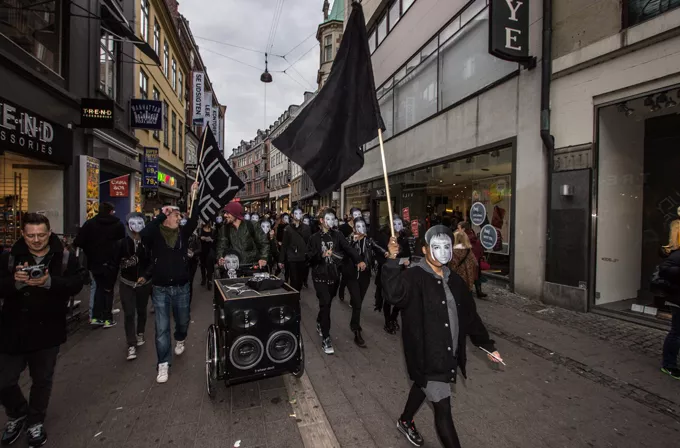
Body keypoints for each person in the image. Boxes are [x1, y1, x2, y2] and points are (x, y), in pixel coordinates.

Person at [383, 225, 503, 447]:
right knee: (443, 409)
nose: (442, 251)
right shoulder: (413, 277)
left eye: (447, 246)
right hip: (427, 356)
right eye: (436, 247)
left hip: (448, 354)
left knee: (422, 385)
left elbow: (470, 316)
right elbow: (393, 294)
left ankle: (405, 420)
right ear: (425, 249)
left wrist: (487, 345)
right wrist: (392, 259)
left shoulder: (455, 280)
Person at [0, 213, 85, 447]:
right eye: (31, 236)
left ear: (49, 233)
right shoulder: (9, 257)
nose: (36, 240)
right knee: (4, 380)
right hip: (13, 329)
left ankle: (35, 421)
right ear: (23, 234)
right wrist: (15, 283)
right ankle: (18, 412)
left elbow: (77, 283)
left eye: (41, 235)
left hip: (48, 329)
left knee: (42, 380)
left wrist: (49, 282)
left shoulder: (64, 257)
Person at [141, 201, 198, 384]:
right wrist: (160, 215)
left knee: (183, 321)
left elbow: (194, 220)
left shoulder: (182, 233)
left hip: (181, 287)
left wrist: (195, 198)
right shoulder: (155, 234)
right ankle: (163, 363)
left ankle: (180, 338)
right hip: (160, 289)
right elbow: (144, 234)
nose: (179, 219)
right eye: (175, 216)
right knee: (161, 328)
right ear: (167, 217)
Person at [307, 208, 363, 355]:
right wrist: (321, 254)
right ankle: (326, 338)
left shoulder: (338, 235)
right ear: (321, 220)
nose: (331, 221)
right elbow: (309, 258)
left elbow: (348, 249)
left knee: (327, 304)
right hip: (319, 276)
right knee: (325, 303)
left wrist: (358, 260)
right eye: (328, 219)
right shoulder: (314, 238)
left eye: (333, 219)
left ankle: (320, 321)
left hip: (334, 276)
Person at [74, 201, 125, 327]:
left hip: (94, 262)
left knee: (98, 288)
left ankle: (96, 317)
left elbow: (78, 241)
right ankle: (108, 318)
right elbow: (122, 244)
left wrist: (89, 251)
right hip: (112, 262)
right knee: (108, 289)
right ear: (111, 211)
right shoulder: (118, 224)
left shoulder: (90, 224)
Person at [116, 212, 153, 361]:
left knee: (141, 310)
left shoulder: (148, 243)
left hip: (143, 284)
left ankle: (140, 332)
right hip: (127, 283)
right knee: (129, 313)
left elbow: (152, 262)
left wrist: (146, 276)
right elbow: (115, 262)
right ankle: (131, 343)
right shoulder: (122, 243)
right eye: (133, 223)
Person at [344, 217, 383, 348]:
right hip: (351, 276)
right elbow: (344, 254)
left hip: (365, 276)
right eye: (358, 226)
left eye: (363, 226)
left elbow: (378, 248)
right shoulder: (349, 240)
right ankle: (356, 330)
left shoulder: (369, 241)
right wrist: (352, 242)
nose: (361, 229)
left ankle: (354, 323)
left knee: (359, 302)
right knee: (357, 302)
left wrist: (387, 253)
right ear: (354, 228)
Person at [376, 216, 411, 334]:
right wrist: (389, 258)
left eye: (399, 224)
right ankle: (387, 322)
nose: (397, 226)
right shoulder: (384, 237)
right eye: (394, 224)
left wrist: (407, 261)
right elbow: (380, 254)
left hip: (401, 272)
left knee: (401, 296)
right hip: (388, 273)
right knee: (387, 297)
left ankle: (393, 317)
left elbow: (408, 254)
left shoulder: (404, 238)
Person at [216, 202, 269, 270]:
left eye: (228, 213)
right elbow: (221, 246)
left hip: (252, 267)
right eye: (225, 213)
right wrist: (220, 257)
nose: (225, 215)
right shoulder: (224, 229)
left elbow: (264, 243)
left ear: (235, 214)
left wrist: (263, 258)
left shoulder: (252, 225)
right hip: (234, 268)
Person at [279, 207, 312, 291]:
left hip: (302, 257)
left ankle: (297, 293)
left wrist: (309, 255)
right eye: (296, 213)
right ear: (292, 215)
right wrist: (281, 260)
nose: (298, 215)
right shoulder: (287, 229)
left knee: (300, 279)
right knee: (294, 279)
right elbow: (284, 245)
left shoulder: (307, 228)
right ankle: (294, 296)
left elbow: (309, 243)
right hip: (292, 257)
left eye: (300, 213)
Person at [660, 249, 680, 380]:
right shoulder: (677, 254)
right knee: (676, 333)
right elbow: (664, 270)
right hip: (677, 299)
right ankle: (668, 365)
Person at [338, 208, 363, 301]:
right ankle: (341, 289)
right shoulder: (343, 227)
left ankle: (354, 299)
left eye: (359, 214)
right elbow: (340, 243)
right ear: (351, 216)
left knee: (355, 277)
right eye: (356, 215)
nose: (358, 217)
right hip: (347, 256)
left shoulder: (362, 226)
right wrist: (351, 237)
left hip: (358, 255)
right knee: (346, 276)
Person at [456, 222, 487, 298]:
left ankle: (467, 291)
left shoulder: (462, 237)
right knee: (476, 275)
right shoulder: (473, 235)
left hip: (466, 260)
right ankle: (478, 290)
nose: (457, 229)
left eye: (459, 228)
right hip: (475, 259)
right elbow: (478, 248)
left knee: (466, 275)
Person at [199, 221, 216, 291]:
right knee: (202, 265)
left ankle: (209, 281)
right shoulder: (200, 230)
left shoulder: (213, 230)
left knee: (210, 267)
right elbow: (197, 238)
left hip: (210, 251)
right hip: (202, 250)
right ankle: (203, 279)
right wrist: (201, 238)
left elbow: (215, 239)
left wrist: (211, 240)